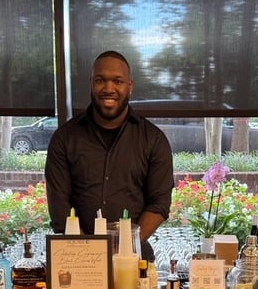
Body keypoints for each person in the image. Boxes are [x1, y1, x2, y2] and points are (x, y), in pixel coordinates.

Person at [44, 50, 174, 259]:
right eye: (100, 80)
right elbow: (60, 209)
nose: (108, 88)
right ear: (91, 83)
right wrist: (90, 256)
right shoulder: (64, 138)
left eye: (117, 81)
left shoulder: (153, 140)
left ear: (129, 86)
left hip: (134, 260)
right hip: (78, 261)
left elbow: (159, 204)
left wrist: (123, 250)